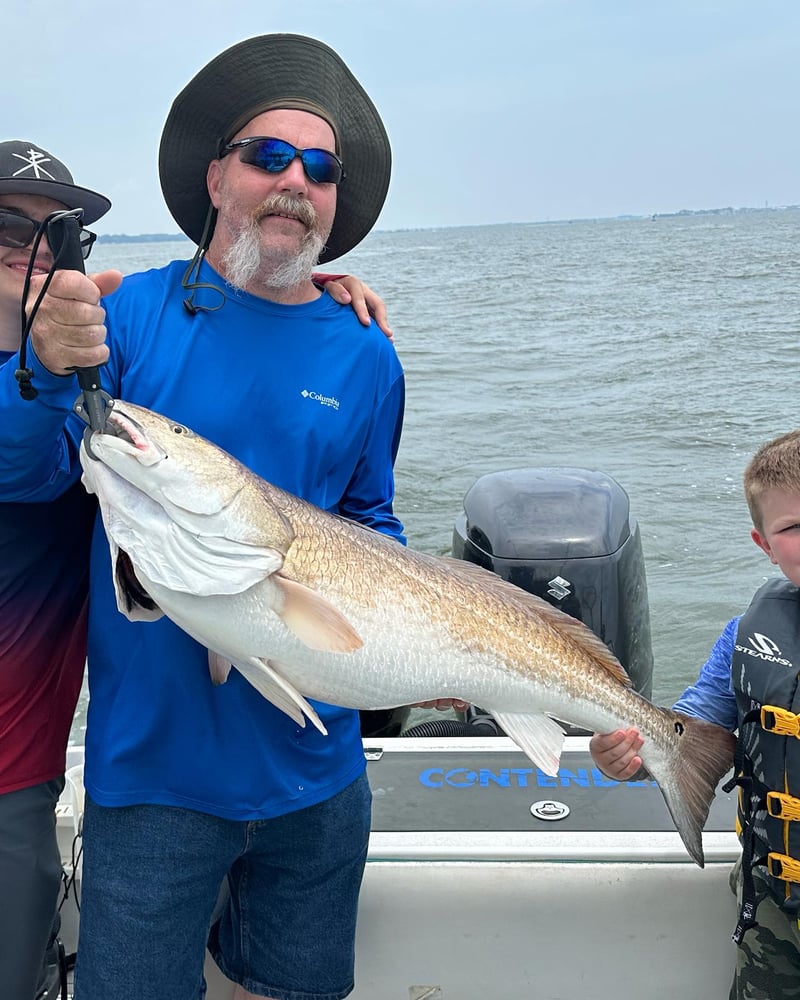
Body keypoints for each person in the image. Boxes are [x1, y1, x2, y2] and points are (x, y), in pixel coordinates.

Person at [0, 34, 413, 1000]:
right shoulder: (128, 316)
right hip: (152, 780)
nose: (294, 182)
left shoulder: (366, 353)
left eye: (319, 169)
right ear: (216, 178)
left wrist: (403, 650)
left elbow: (374, 524)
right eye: (268, 156)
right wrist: (45, 367)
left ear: (336, 201)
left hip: (319, 777)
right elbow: (28, 477)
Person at [590, 428, 800, 1000]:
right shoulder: (745, 640)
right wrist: (627, 755)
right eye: (792, 528)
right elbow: (683, 735)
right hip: (777, 917)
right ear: (764, 544)